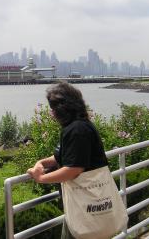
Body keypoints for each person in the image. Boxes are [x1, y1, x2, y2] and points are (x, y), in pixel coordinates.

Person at [27, 82, 109, 239]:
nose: (52, 113)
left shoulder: (77, 130)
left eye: (53, 108)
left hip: (85, 206)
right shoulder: (77, 126)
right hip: (80, 204)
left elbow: (73, 169)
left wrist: (41, 178)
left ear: (61, 109)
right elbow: (66, 156)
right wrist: (42, 163)